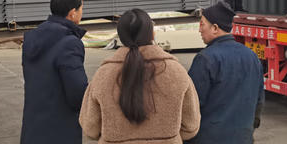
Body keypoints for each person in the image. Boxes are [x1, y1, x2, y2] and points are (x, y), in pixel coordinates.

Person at [79, 8, 200, 144]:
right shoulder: (176, 72)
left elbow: (90, 128)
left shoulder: (103, 75)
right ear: (152, 34)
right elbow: (190, 127)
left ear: (121, 36)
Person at [186, 1, 264, 144]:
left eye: (202, 24)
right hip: (243, 138)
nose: (199, 30)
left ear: (215, 28)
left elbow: (191, 105)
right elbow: (259, 101)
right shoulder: (252, 56)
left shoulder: (205, 59)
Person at [20, 0, 88, 144]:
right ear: (73, 13)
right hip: (59, 130)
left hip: (33, 127)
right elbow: (77, 94)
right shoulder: (70, 43)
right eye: (81, 9)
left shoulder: (33, 38)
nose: (82, 13)